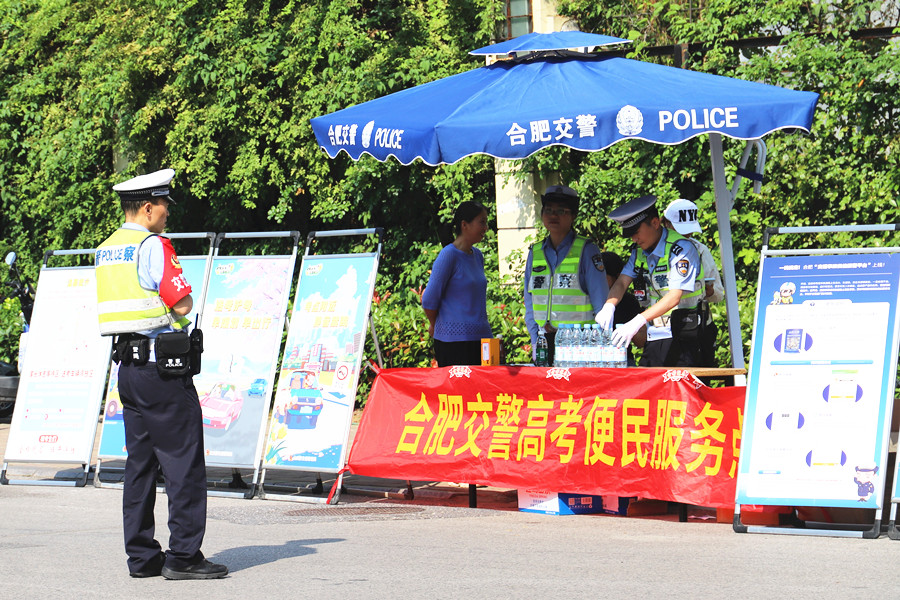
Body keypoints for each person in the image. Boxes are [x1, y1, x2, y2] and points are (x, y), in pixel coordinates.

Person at [94, 169, 228, 580]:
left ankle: (142, 558)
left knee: (139, 466)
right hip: (161, 371)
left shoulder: (107, 248)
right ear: (148, 207)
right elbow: (182, 303)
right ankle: (184, 556)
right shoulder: (153, 246)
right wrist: (175, 312)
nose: (168, 211)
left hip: (128, 371)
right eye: (165, 204)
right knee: (183, 462)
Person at [595, 194, 704, 367]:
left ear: (654, 223)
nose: (634, 239)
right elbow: (622, 282)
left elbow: (674, 296)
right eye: (630, 235)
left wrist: (637, 321)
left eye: (636, 232)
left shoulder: (681, 249)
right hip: (656, 335)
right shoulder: (639, 252)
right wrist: (609, 306)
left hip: (684, 335)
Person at [524, 185, 609, 365]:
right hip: (544, 341)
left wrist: (600, 345)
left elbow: (601, 303)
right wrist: (534, 341)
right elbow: (530, 302)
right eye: (548, 210)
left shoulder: (587, 250)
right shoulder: (535, 252)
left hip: (579, 343)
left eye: (561, 211)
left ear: (573, 216)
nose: (553, 216)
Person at [422, 201, 493, 367]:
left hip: (482, 340)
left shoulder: (478, 256)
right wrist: (436, 325)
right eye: (482, 222)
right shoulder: (448, 255)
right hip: (453, 343)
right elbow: (429, 300)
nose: (486, 228)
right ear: (464, 225)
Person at [662, 198, 724, 366]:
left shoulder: (701, 250)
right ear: (665, 223)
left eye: (689, 230)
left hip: (698, 329)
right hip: (664, 333)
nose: (686, 235)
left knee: (700, 379)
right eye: (680, 230)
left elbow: (719, 294)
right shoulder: (652, 252)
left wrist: (710, 291)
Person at [601, 251, 645, 366]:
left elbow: (641, 342)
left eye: (603, 277)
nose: (598, 281)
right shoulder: (585, 300)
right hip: (591, 359)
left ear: (617, 277)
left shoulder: (628, 301)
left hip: (622, 360)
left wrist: (629, 327)